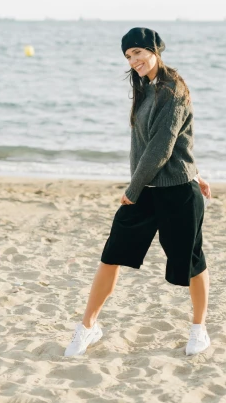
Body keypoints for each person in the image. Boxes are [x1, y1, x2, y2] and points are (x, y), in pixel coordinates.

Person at [64, 27, 211, 358]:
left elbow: (162, 148)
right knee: (111, 255)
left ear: (155, 51)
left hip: (174, 192)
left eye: (139, 53)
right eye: (129, 56)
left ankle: (199, 329)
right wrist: (197, 172)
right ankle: (87, 327)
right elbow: (174, 141)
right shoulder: (144, 88)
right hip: (147, 190)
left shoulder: (173, 92)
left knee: (191, 262)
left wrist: (133, 189)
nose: (134, 61)